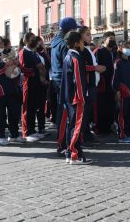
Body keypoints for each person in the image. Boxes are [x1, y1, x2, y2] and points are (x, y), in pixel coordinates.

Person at [0, 35, 24, 145]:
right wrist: (5, 65)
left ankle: (14, 135)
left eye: (2, 43)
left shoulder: (4, 54)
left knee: (14, 112)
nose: (1, 45)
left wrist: (16, 65)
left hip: (10, 88)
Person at [60, 31, 92, 165]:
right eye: (81, 41)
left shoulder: (68, 56)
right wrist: (81, 97)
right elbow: (77, 80)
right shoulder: (75, 58)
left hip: (69, 97)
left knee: (71, 125)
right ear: (75, 43)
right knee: (76, 126)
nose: (83, 43)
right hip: (76, 98)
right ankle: (75, 153)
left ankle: (70, 152)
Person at [51, 17, 81, 154]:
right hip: (64, 80)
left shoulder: (55, 41)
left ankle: (63, 142)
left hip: (58, 79)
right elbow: (67, 65)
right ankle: (63, 144)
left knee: (64, 113)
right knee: (65, 114)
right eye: (75, 29)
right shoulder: (64, 44)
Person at [77, 26, 106, 143]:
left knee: (88, 111)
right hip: (87, 85)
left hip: (92, 84)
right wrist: (96, 68)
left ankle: (87, 133)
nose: (90, 37)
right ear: (81, 36)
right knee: (85, 112)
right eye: (87, 34)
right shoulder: (81, 50)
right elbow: (81, 67)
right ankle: (84, 136)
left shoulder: (87, 49)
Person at [19, 32, 43, 142]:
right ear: (27, 41)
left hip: (35, 82)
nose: (34, 41)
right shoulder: (23, 52)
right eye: (32, 39)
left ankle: (32, 130)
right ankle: (26, 131)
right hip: (28, 82)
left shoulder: (32, 52)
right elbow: (22, 68)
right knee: (27, 107)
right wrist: (35, 70)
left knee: (33, 107)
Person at [113, 41, 130, 143]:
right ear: (120, 48)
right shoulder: (118, 62)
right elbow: (115, 79)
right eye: (126, 47)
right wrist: (117, 91)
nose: (129, 49)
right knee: (123, 114)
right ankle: (122, 135)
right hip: (123, 93)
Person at [94, 31, 117, 134]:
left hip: (112, 85)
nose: (113, 40)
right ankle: (100, 128)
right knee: (101, 107)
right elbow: (96, 67)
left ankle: (108, 127)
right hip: (102, 85)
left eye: (114, 38)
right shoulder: (98, 51)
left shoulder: (114, 52)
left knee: (110, 107)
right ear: (104, 40)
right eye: (110, 38)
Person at [35, 36, 51, 135]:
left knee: (42, 105)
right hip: (36, 82)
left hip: (44, 82)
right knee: (36, 106)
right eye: (40, 44)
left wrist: (45, 52)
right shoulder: (33, 55)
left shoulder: (42, 54)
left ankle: (42, 127)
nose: (42, 45)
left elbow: (49, 63)